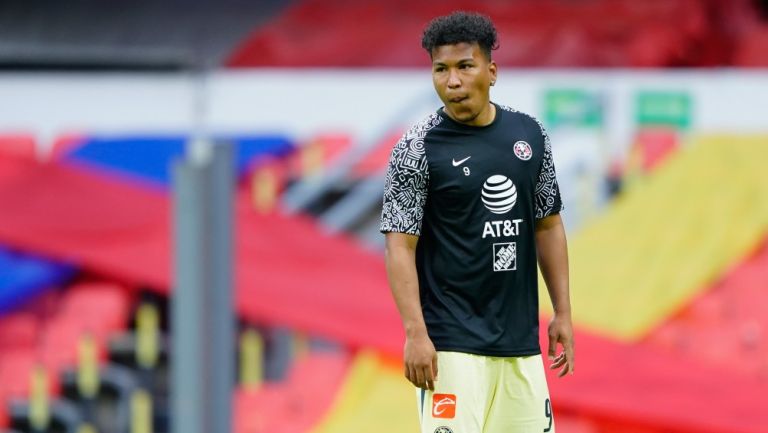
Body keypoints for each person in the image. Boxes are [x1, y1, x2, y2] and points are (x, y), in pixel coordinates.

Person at [380, 11, 574, 433]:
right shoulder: (415, 149)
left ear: (491, 70)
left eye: (464, 66)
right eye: (440, 69)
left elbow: (548, 225)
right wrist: (415, 333)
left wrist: (562, 312)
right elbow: (400, 245)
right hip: (450, 349)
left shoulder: (530, 135)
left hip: (520, 347)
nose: (452, 82)